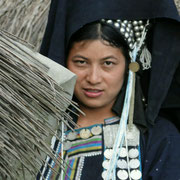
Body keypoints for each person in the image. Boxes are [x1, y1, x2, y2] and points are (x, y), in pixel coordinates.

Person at [37, 0, 180, 179]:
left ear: (130, 66)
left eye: (108, 63)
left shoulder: (160, 138)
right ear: (64, 62)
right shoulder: (38, 132)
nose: (94, 78)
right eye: (81, 62)